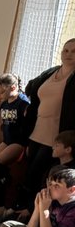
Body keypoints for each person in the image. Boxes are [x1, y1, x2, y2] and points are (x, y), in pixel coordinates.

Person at [20, 38, 75, 202]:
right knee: (28, 171)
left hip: (56, 137)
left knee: (38, 174)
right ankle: (22, 209)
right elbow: (32, 86)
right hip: (36, 132)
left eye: (74, 51)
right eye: (66, 50)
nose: (69, 54)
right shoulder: (51, 72)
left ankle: (30, 210)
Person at [0, 73, 30, 167]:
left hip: (19, 142)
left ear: (13, 88)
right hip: (7, 140)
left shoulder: (23, 103)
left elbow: (30, 125)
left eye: (1, 92)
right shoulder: (4, 104)